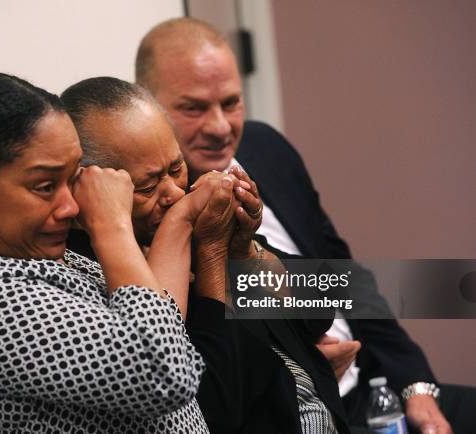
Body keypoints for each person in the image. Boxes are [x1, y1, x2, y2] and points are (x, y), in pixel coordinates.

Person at [135, 17, 473, 434]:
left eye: (231, 102)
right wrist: (304, 368)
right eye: (193, 108)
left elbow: (345, 281)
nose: (221, 127)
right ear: (149, 109)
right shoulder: (156, 213)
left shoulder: (266, 149)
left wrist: (415, 385)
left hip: (375, 388)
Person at [0, 72, 210, 433]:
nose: (71, 207)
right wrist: (214, 258)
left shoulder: (42, 258)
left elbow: (166, 323)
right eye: (44, 186)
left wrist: (222, 238)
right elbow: (183, 377)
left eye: (72, 180)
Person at [60, 76, 353, 434]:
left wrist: (243, 249)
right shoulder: (89, 275)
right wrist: (212, 254)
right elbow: (211, 409)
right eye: (147, 186)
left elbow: (318, 308)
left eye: (175, 168)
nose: (171, 193)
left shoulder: (195, 209)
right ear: (92, 189)